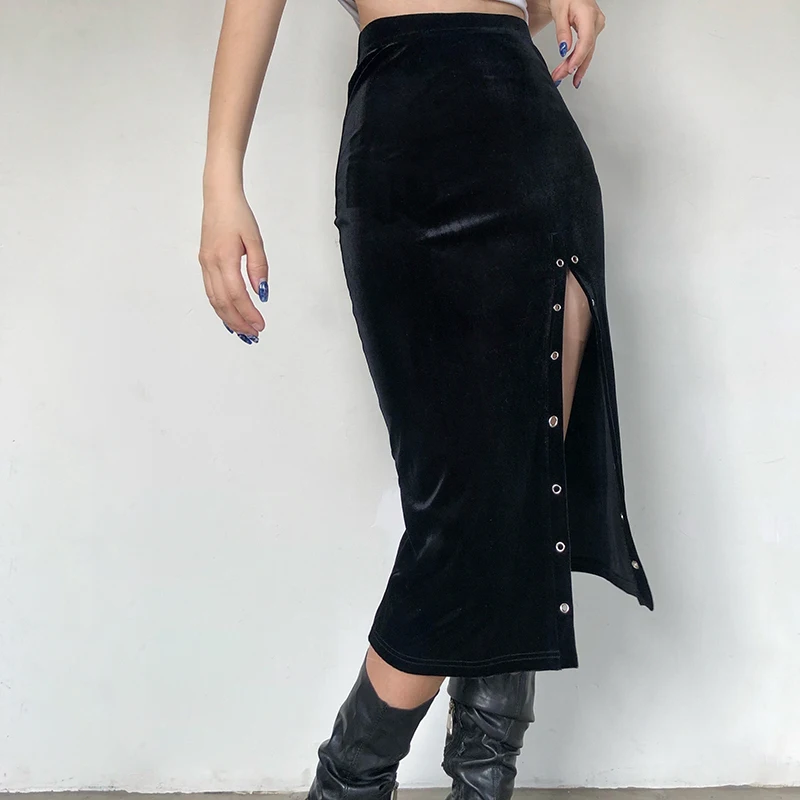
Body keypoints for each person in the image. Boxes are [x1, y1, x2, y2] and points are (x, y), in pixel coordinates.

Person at [198, 0, 654, 797]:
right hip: (402, 150)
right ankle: (348, 779)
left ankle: (466, 781)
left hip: (531, 149)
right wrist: (220, 178)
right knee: (464, 514)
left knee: (517, 500)